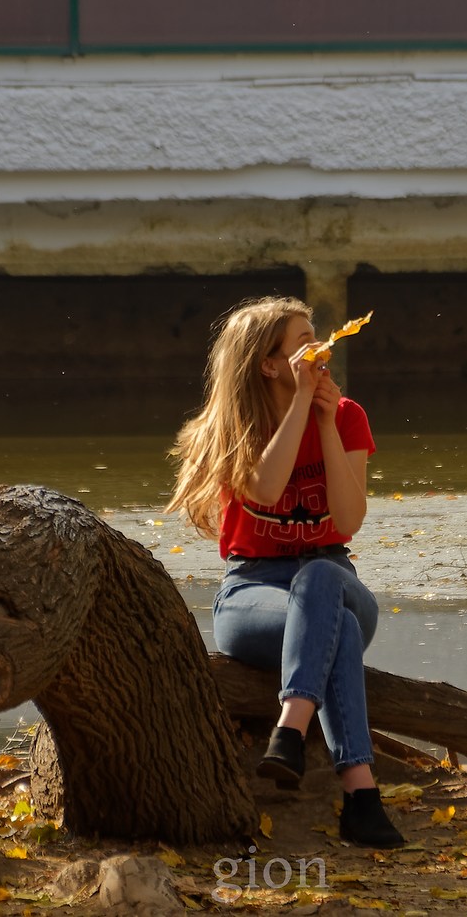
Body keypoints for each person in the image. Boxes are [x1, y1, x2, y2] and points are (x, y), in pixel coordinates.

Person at [166, 296, 405, 848]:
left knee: (320, 578)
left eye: (315, 336)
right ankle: (362, 799)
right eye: (301, 343)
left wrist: (324, 419)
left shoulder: (346, 416)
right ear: (268, 364)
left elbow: (346, 522)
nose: (318, 348)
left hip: (335, 578)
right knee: (337, 633)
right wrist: (301, 402)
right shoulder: (230, 428)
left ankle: (290, 730)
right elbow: (267, 489)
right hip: (252, 590)